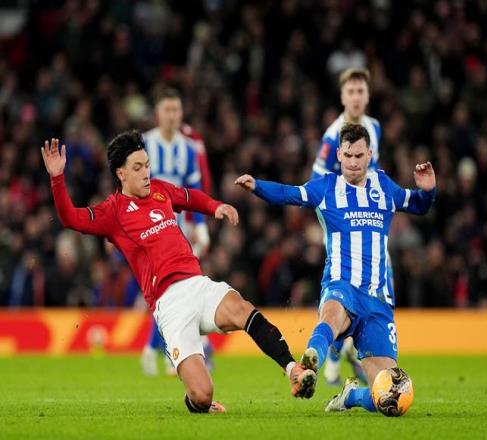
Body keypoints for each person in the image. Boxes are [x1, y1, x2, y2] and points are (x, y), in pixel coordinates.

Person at [41, 132, 316, 413]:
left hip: (197, 284)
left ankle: (292, 369)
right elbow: (70, 218)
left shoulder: (160, 190)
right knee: (203, 395)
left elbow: (189, 197)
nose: (146, 173)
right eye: (137, 168)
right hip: (169, 305)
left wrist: (215, 206)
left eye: (147, 165)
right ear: (121, 174)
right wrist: (57, 178)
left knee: (243, 309)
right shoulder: (112, 211)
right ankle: (194, 399)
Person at [235, 123, 436, 413]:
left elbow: (418, 205)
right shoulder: (327, 187)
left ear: (369, 155)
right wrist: (257, 187)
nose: (353, 163)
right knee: (332, 315)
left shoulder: (384, 186)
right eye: (348, 156)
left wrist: (428, 190)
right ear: (339, 155)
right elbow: (289, 194)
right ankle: (311, 362)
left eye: (359, 156)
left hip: (377, 299)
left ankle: (350, 396)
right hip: (341, 284)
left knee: (390, 396)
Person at [312, 67, 381, 385]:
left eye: (360, 91)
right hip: (342, 225)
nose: (355, 97)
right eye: (350, 91)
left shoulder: (374, 128)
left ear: (367, 95)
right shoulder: (332, 135)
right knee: (344, 289)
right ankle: (335, 358)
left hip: (369, 223)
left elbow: (374, 173)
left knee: (369, 287)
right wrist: (328, 222)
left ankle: (348, 353)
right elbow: (316, 181)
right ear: (342, 97)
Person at [141, 88, 214, 376]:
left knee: (170, 292)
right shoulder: (144, 144)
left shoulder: (188, 149)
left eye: (176, 110)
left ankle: (162, 351)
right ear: (157, 113)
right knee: (166, 292)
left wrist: (201, 227)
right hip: (145, 229)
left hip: (176, 232)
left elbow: (193, 192)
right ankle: (165, 350)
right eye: (167, 110)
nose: (172, 115)